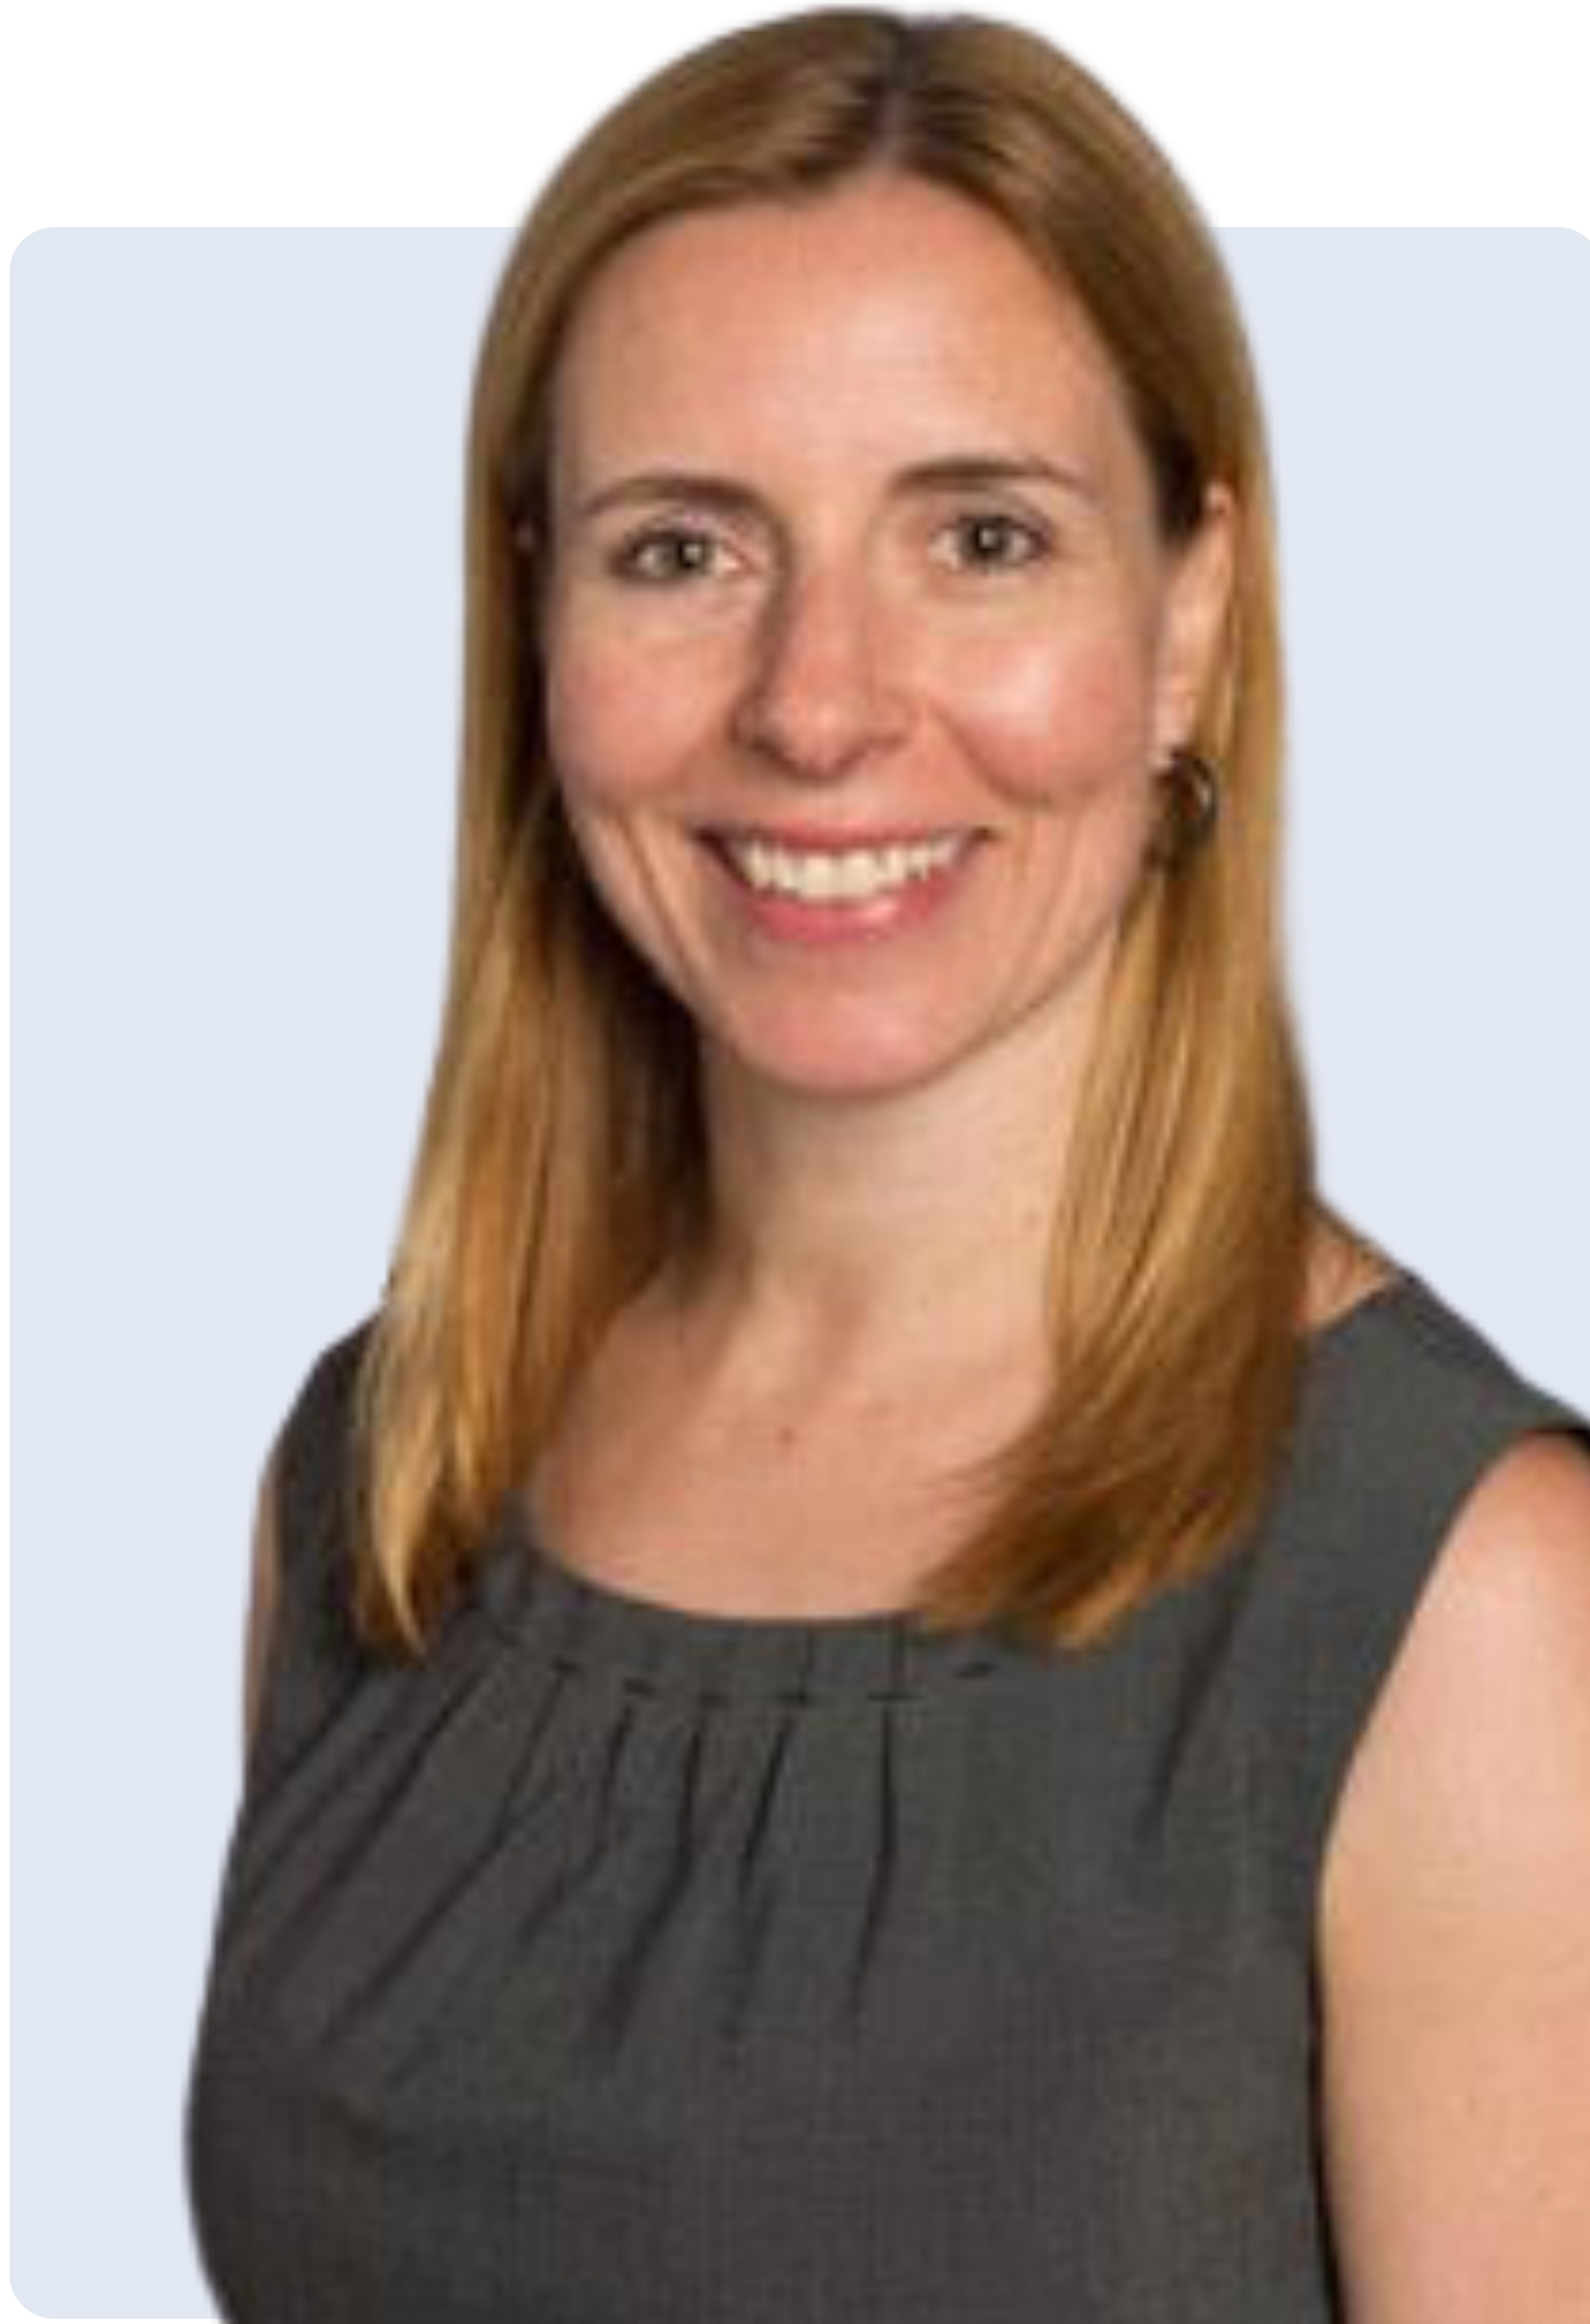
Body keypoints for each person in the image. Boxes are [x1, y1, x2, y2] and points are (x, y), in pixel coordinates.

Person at [180, 5, 1590, 2316]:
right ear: (535, 611)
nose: (819, 703)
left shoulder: (1467, 1608)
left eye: (981, 534)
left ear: (1187, 620)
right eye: (682, 550)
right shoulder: (369, 1483)